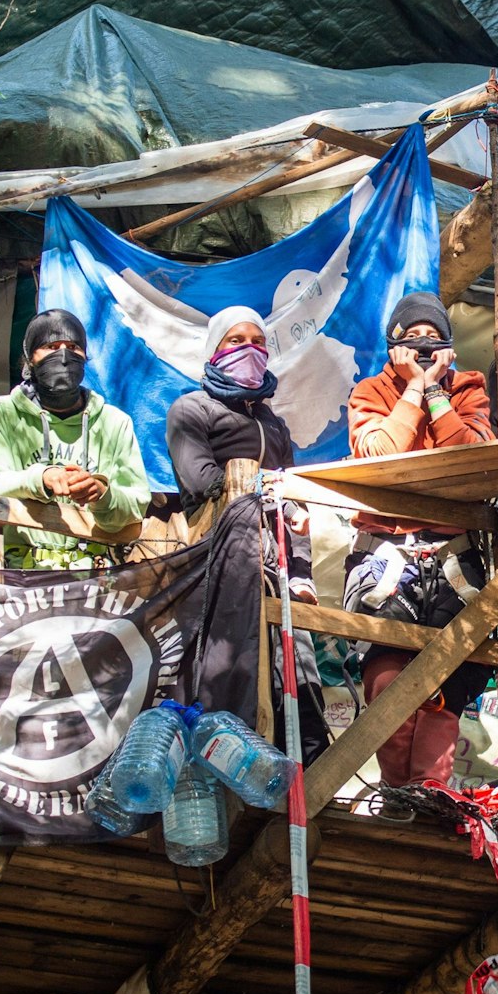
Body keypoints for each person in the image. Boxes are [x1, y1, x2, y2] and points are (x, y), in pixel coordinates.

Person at [344, 292, 494, 794]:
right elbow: (378, 449)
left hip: (454, 555)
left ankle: (429, 793)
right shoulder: (369, 392)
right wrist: (411, 391)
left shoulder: (469, 388)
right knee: (388, 682)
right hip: (385, 553)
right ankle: (396, 794)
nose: (425, 346)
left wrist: (435, 395)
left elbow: (473, 457)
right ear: (393, 347)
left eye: (435, 338)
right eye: (412, 339)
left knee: (450, 684)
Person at [165, 304, 330, 762]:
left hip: (278, 570)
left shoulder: (274, 424)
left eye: (258, 342)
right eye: (236, 342)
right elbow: (203, 480)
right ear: (214, 351)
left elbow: (296, 503)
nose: (249, 350)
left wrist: (301, 574)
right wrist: (267, 487)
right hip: (220, 566)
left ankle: (305, 780)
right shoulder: (190, 409)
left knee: (297, 674)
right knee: (228, 672)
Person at [0, 308, 149, 570]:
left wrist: (101, 494)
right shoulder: (5, 412)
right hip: (20, 573)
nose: (63, 356)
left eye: (73, 346)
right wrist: (41, 478)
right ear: (30, 359)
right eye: (50, 347)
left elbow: (136, 506)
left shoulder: (115, 423)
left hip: (97, 576)